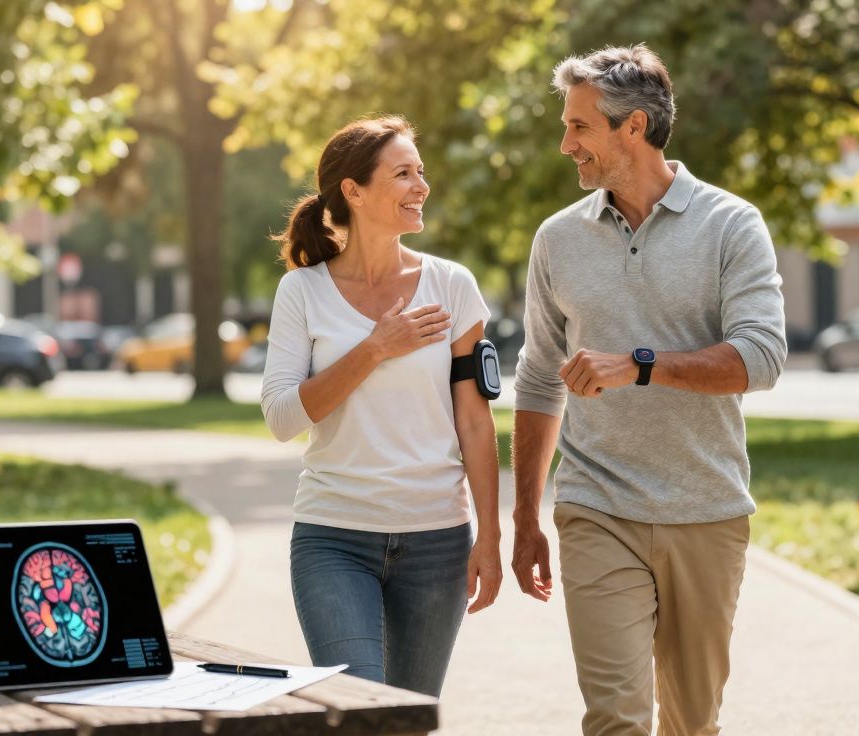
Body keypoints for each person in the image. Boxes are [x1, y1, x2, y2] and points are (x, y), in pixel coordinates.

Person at [510, 45, 787, 735]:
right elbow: (540, 378)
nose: (565, 142)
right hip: (597, 503)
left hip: (707, 507)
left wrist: (638, 365)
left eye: (579, 127)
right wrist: (524, 519)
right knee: (616, 719)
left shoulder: (732, 225)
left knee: (693, 722)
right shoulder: (557, 241)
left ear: (632, 127)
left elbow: (762, 356)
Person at [260, 116, 502, 697]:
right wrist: (374, 349)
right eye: (403, 174)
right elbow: (281, 418)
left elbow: (474, 418)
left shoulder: (452, 286)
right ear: (354, 191)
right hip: (334, 537)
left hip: (438, 539)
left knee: (408, 719)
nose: (421, 186)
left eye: (421, 172)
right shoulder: (303, 291)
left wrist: (490, 536)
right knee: (362, 714)